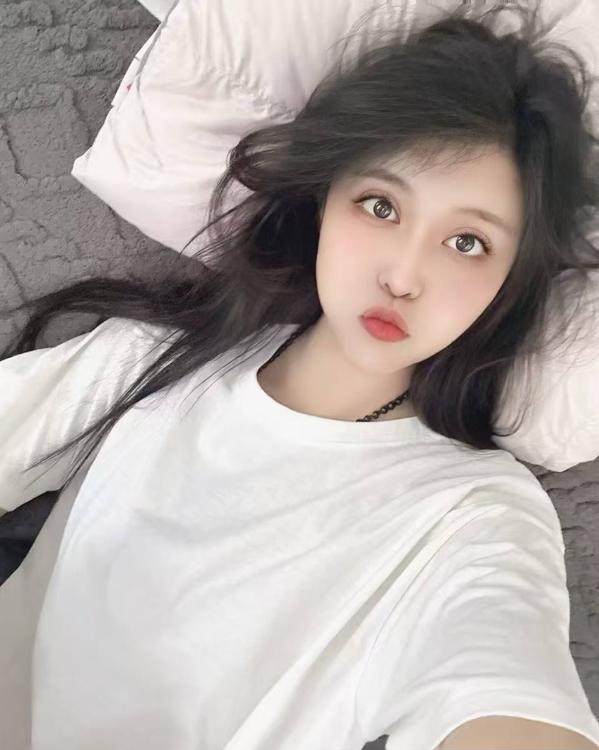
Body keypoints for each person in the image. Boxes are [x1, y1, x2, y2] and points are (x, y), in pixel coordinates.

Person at [1, 2, 599, 749]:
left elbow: (501, 676)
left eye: (467, 243)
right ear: (323, 204)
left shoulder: (473, 515)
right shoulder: (148, 363)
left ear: (509, 281)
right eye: (380, 206)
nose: (402, 276)